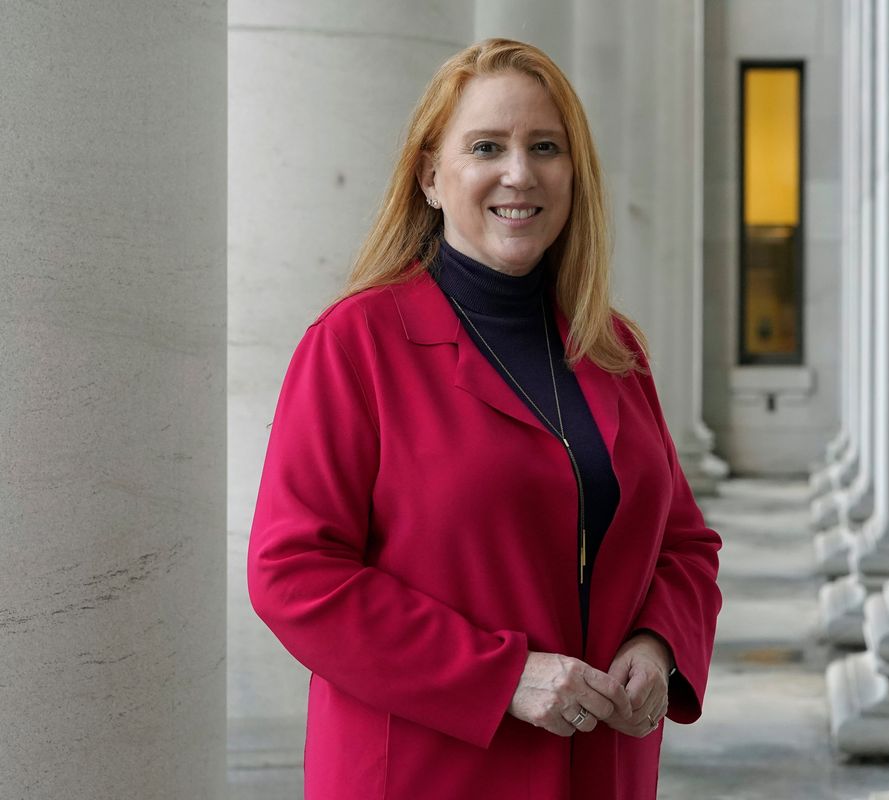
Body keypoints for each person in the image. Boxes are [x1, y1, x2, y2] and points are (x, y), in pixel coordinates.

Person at [247, 38, 722, 799]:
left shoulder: (610, 346)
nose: (520, 173)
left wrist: (660, 643)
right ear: (431, 175)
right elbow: (293, 574)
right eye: (487, 147)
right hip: (427, 773)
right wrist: (502, 677)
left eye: (545, 147)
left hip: (600, 770)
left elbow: (684, 543)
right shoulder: (354, 344)